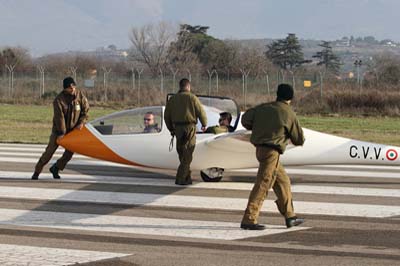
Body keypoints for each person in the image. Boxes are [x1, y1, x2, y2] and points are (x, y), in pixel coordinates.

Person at [240, 83, 305, 230]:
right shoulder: (289, 113)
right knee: (263, 184)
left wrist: (258, 126)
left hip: (260, 150)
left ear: (277, 94)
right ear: (291, 98)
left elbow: (245, 119)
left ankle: (290, 216)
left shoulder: (263, 108)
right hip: (272, 153)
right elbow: (299, 139)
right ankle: (249, 219)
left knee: (283, 182)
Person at [31, 77, 89, 180]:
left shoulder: (80, 96)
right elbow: (59, 118)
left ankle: (56, 168)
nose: (73, 90)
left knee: (69, 154)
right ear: (65, 89)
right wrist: (61, 133)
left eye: (74, 87)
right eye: (70, 88)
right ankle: (37, 172)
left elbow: (85, 111)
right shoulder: (58, 100)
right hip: (58, 131)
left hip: (73, 131)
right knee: (48, 153)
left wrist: (81, 123)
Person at [164, 78, 207, 185]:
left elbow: (166, 116)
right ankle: (181, 178)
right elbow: (201, 112)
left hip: (178, 129)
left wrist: (171, 129)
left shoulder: (172, 99)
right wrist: (204, 124)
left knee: (182, 153)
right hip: (190, 128)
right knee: (188, 154)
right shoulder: (193, 98)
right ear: (188, 86)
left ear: (180, 86)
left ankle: (187, 177)